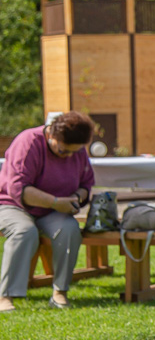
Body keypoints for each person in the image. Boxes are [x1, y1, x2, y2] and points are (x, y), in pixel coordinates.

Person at [0, 112, 95, 312]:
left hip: (53, 210)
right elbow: (19, 189)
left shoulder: (77, 149)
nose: (68, 156)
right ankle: (5, 296)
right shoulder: (28, 142)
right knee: (25, 231)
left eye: (73, 152)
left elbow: (86, 184)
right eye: (63, 150)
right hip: (12, 205)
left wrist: (76, 198)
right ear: (51, 133)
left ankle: (60, 292)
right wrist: (55, 202)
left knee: (69, 229)